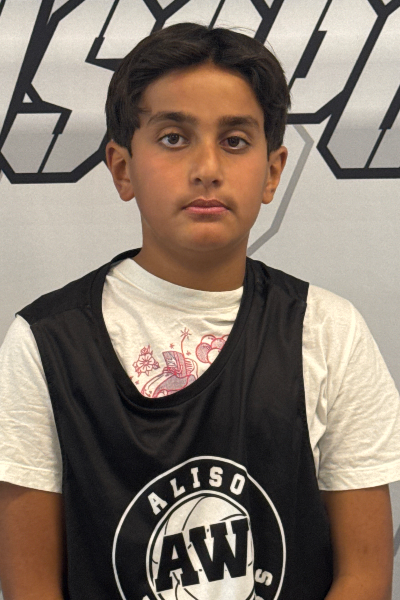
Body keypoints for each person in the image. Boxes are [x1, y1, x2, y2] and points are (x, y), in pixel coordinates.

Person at [0, 22, 399, 600]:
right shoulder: (44, 342)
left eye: (234, 141)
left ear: (272, 171)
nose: (207, 167)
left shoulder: (329, 331)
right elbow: (31, 586)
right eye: (173, 138)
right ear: (122, 168)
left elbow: (363, 576)